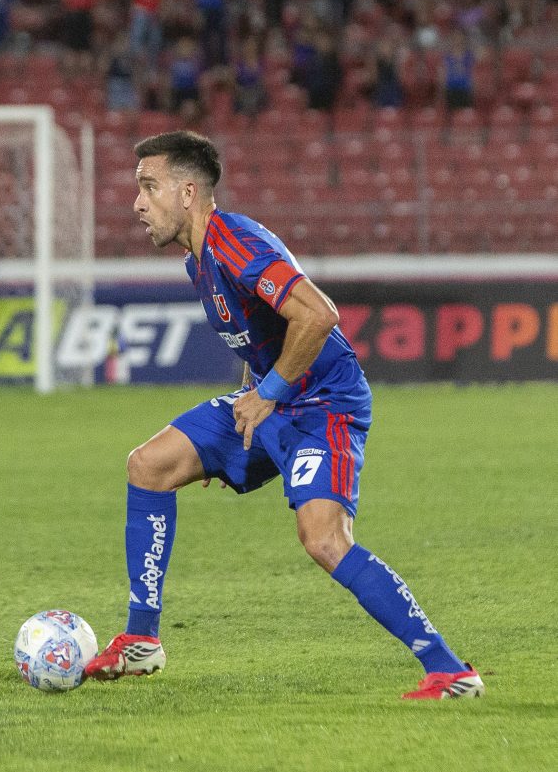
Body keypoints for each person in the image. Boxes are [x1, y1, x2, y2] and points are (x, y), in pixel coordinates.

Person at [84, 130, 483, 701]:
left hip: (324, 406)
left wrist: (267, 393)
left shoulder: (237, 243)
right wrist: (253, 402)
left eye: (149, 187)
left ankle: (450, 671)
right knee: (148, 465)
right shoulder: (200, 262)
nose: (137, 203)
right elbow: (263, 341)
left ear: (189, 192)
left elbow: (319, 316)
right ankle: (142, 641)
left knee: (324, 540)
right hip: (270, 404)